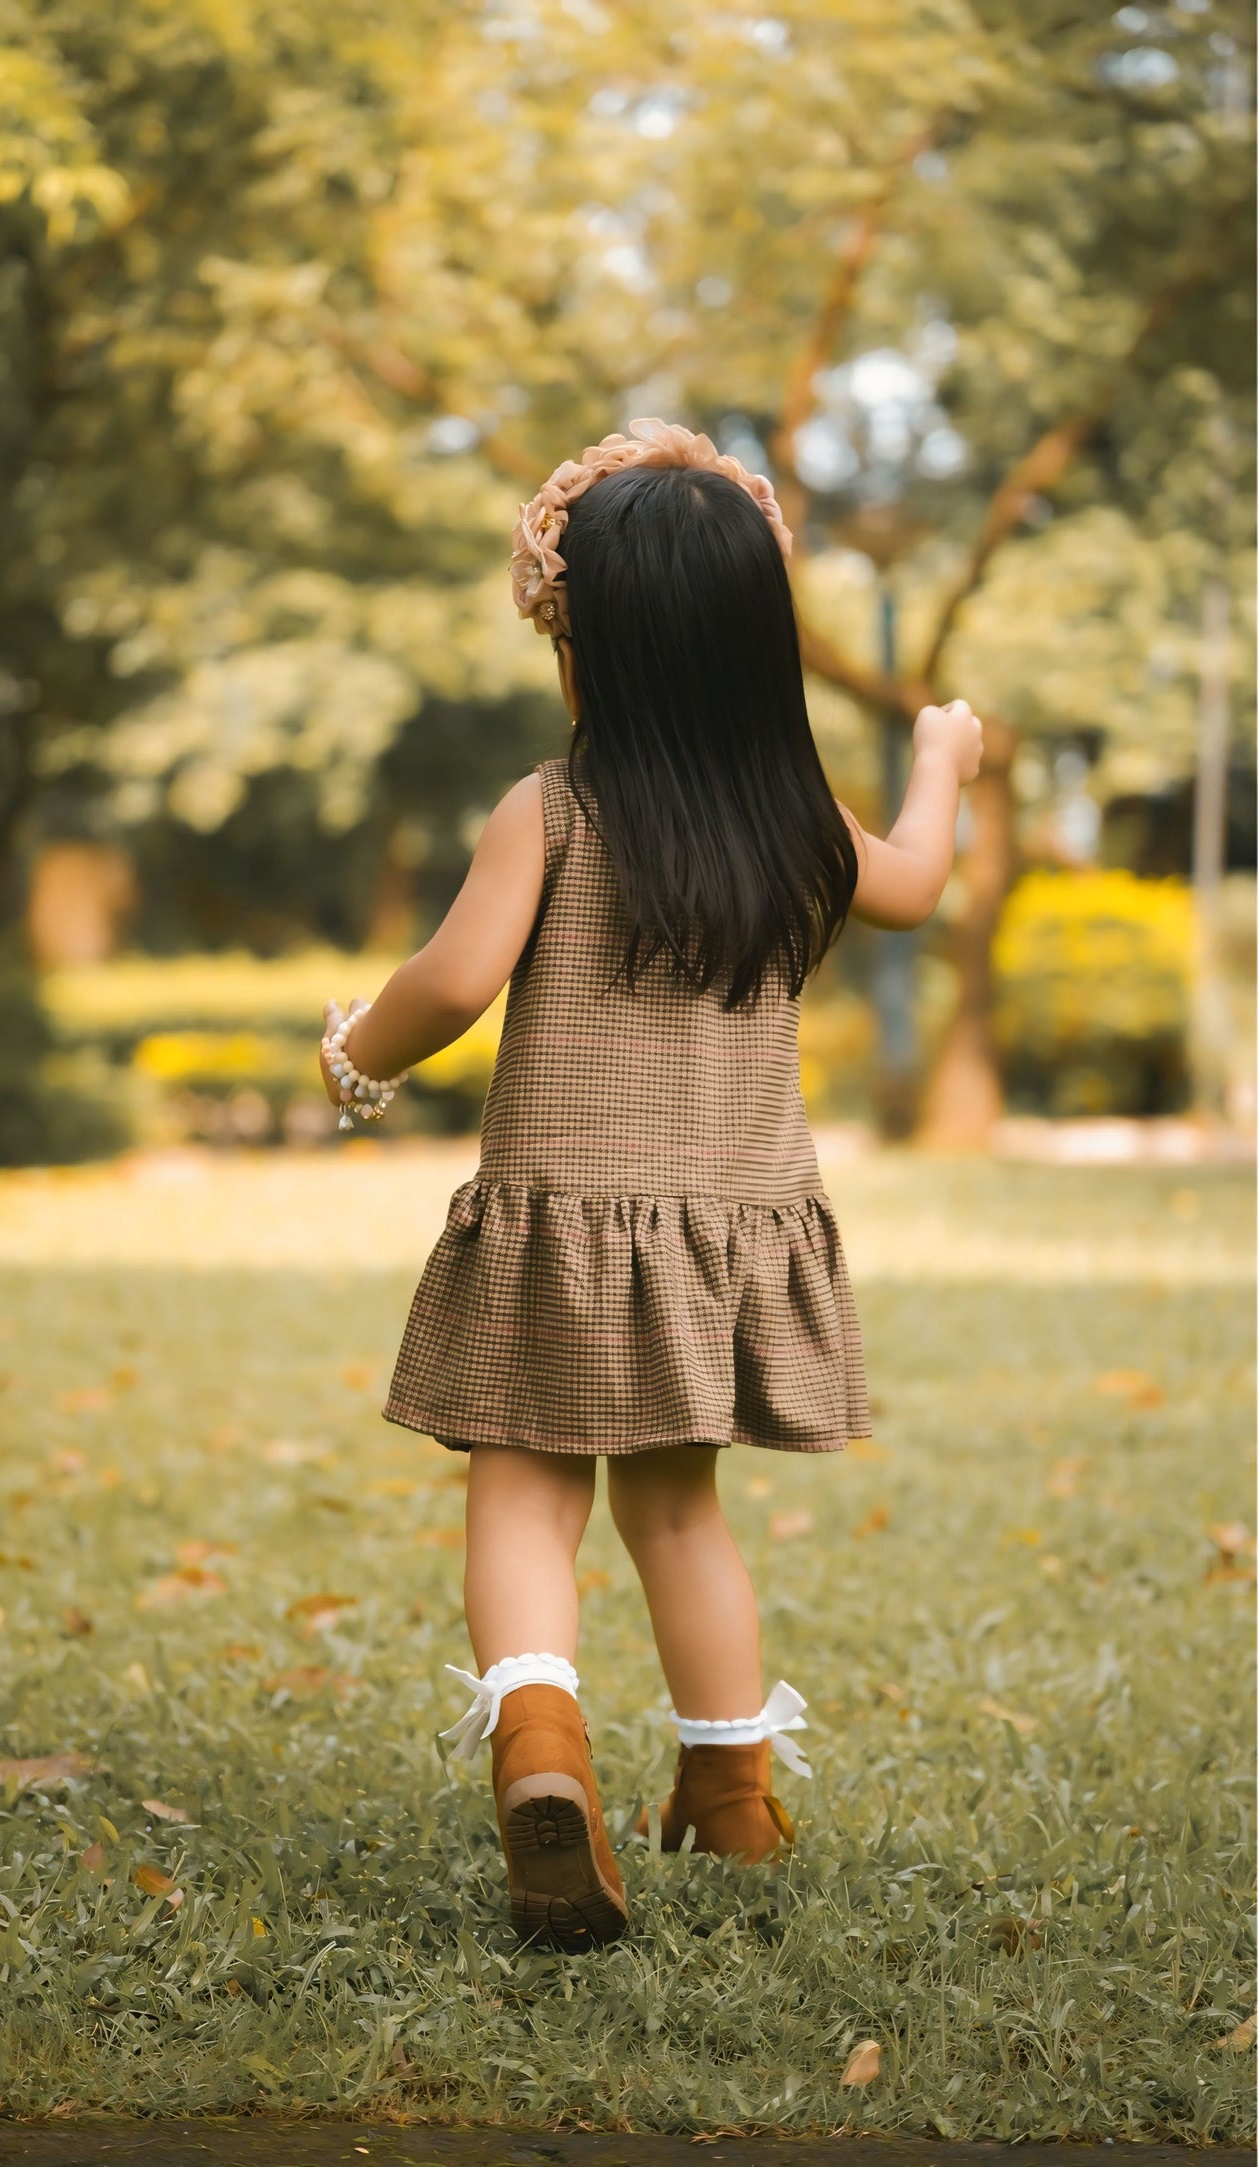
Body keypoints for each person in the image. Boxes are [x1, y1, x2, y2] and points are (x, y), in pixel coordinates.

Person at [320, 419, 983, 1952]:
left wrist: (360, 1053)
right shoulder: (796, 827)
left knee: (522, 1490)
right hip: (724, 1232)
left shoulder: (548, 811)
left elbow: (455, 978)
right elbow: (914, 884)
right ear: (759, 647)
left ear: (581, 646)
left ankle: (543, 1754)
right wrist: (939, 757)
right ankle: (732, 1795)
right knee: (679, 1517)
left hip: (562, 1221)